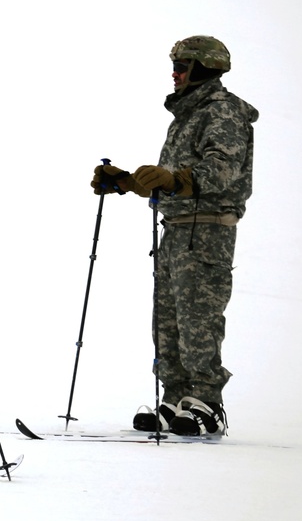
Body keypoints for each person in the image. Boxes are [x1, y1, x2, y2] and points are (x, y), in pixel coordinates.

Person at [90, 35, 258, 436]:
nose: (175, 72)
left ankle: (208, 403)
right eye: (176, 65)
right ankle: (177, 396)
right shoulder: (187, 116)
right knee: (168, 319)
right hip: (176, 229)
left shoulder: (223, 112)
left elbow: (220, 171)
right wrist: (129, 182)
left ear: (204, 67)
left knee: (198, 318)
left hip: (207, 230)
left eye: (183, 65)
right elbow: (172, 181)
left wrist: (173, 179)